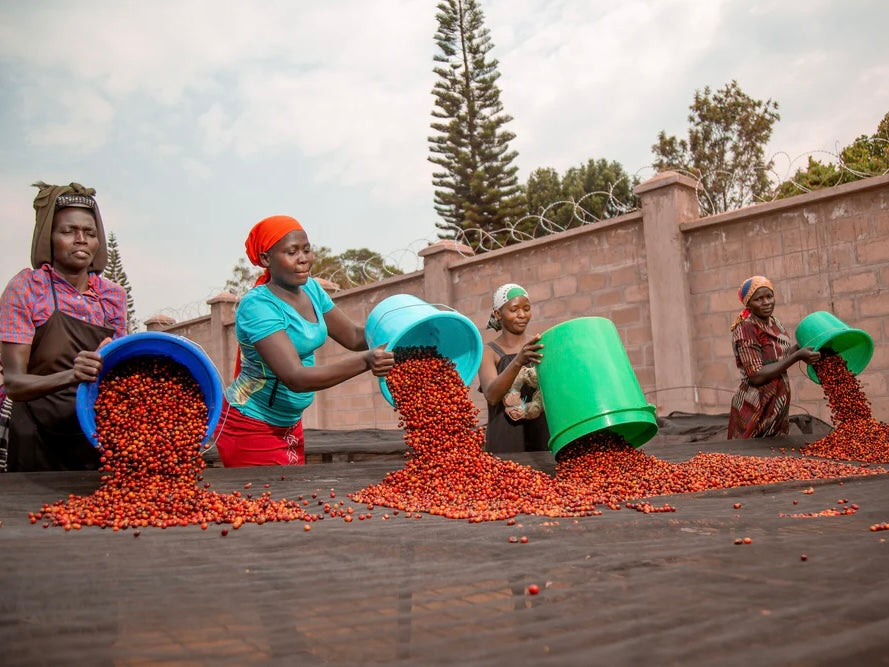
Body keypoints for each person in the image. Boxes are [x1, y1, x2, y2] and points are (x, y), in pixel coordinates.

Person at [214, 215, 395, 467]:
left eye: (307, 250)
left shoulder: (311, 289)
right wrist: (367, 361)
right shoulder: (257, 306)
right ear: (266, 259)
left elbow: (354, 337)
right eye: (292, 252)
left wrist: (399, 331)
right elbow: (295, 377)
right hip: (251, 425)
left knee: (291, 491)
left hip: (289, 423)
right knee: (271, 493)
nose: (303, 259)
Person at [0, 182, 128, 471]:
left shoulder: (112, 296)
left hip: (92, 434)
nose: (81, 240)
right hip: (34, 434)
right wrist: (73, 375)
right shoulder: (28, 288)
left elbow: (118, 374)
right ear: (50, 238)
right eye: (69, 231)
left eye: (90, 233)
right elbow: (14, 384)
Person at [727, 275, 820, 439]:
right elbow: (756, 375)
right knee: (751, 453)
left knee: (776, 450)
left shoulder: (775, 323)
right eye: (759, 299)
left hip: (776, 404)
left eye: (769, 296)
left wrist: (802, 348)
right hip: (755, 408)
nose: (766, 302)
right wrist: (797, 356)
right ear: (748, 304)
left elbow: (781, 358)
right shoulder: (746, 329)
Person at [477, 283, 550, 454]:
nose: (522, 315)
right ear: (498, 314)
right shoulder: (488, 352)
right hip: (506, 443)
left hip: (542, 440)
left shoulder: (540, 344)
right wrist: (518, 361)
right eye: (514, 309)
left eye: (526, 309)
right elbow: (492, 396)